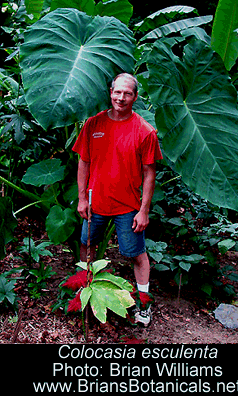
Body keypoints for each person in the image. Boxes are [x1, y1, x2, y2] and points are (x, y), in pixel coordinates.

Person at [72, 73, 163, 325]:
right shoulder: (93, 124)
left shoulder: (145, 131)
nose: (120, 97)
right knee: (86, 244)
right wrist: (82, 198)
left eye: (127, 93)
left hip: (128, 206)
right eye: (117, 92)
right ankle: (87, 292)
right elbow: (84, 162)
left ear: (135, 97)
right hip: (95, 201)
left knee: (136, 253)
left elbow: (149, 173)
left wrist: (144, 210)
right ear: (110, 92)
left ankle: (143, 305)